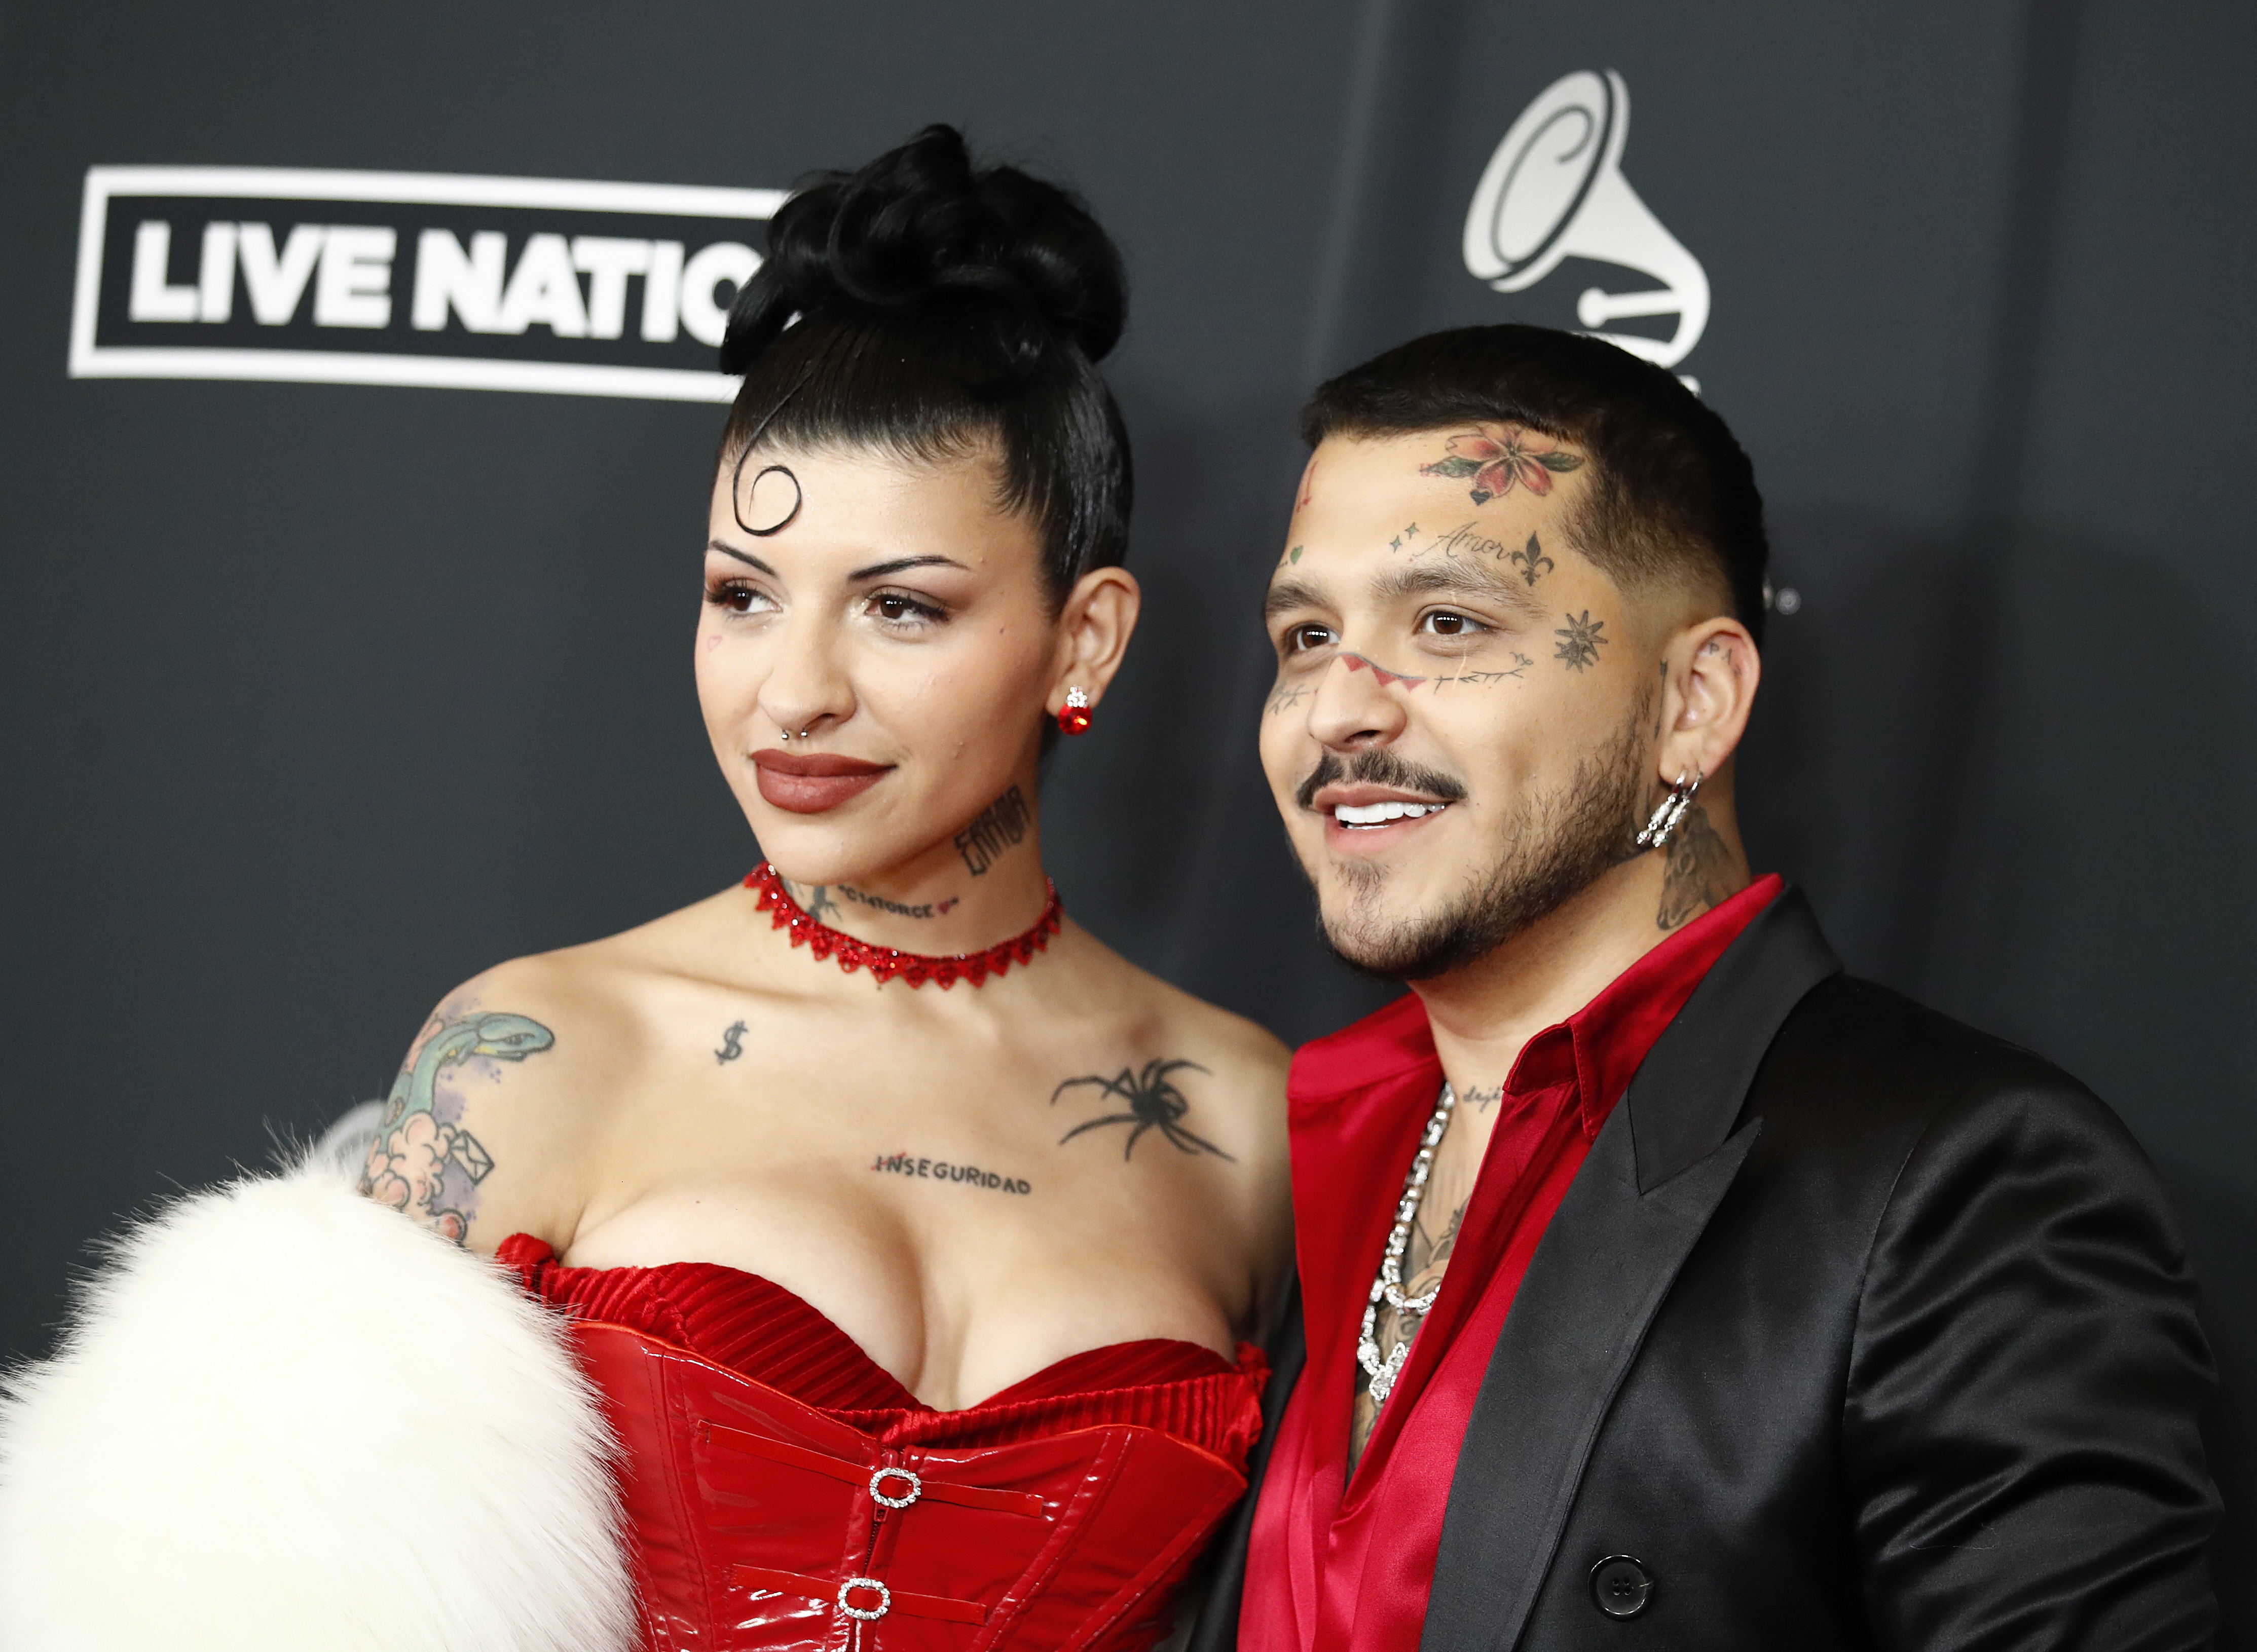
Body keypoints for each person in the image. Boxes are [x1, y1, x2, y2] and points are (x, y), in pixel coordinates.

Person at [0, 128, 1291, 1652]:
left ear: (1083, 640)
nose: (792, 690)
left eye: (900, 607)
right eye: (741, 594)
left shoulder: (1248, 1117)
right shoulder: (536, 1053)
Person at [1188, 325, 2219, 1652]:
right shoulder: (1321, 1132)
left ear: (1696, 700)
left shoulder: (1965, 1181)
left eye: (1446, 623)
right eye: (1306, 633)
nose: (1337, 710)